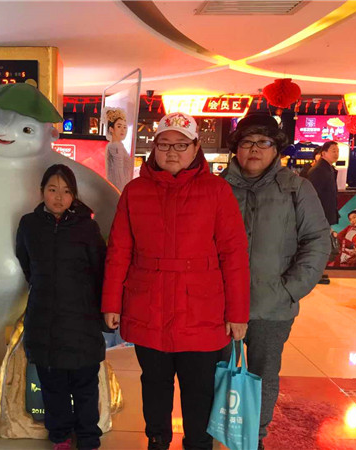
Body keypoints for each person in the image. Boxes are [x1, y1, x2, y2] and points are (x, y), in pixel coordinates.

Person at [101, 112, 250, 450]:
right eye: (164, 144)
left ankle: (198, 443)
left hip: (202, 310)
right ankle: (157, 440)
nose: (171, 152)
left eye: (181, 145)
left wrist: (238, 313)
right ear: (153, 148)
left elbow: (234, 255)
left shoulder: (217, 191)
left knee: (199, 388)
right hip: (148, 305)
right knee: (154, 384)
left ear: (196, 147)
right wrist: (111, 303)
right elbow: (119, 252)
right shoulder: (135, 192)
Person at [222, 113, 330, 450]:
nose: (254, 149)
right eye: (247, 142)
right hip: (219, 304)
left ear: (276, 148)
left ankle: (254, 437)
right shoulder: (216, 187)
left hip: (273, 305)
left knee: (263, 375)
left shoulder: (297, 188)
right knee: (216, 372)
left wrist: (290, 290)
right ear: (236, 148)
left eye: (263, 142)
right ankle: (216, 432)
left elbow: (317, 240)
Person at [15, 164, 107, 450]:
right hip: (44, 317)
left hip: (82, 319)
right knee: (53, 385)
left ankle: (88, 438)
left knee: (85, 385)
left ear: (74, 195)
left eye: (66, 191)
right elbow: (26, 264)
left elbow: (100, 270)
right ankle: (61, 436)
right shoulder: (29, 225)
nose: (59, 197)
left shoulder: (87, 227)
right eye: (52, 189)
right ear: (41, 191)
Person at [308, 140, 340, 284]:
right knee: (318, 246)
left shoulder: (327, 168)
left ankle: (318, 272)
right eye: (333, 150)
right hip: (320, 216)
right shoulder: (319, 170)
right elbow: (314, 195)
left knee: (322, 245)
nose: (336, 153)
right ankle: (314, 274)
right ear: (324, 153)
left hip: (324, 215)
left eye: (337, 151)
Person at [104, 108, 133, 191]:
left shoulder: (117, 145)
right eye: (119, 126)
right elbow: (118, 171)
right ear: (111, 129)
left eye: (125, 127)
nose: (123, 130)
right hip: (119, 189)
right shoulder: (116, 146)